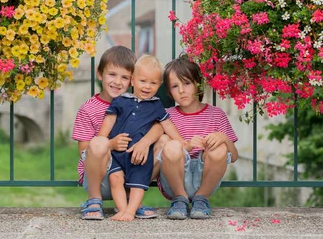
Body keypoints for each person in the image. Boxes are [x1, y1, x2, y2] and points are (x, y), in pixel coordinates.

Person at [72, 46, 165, 220]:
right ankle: (94, 199)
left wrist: (145, 142)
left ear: (132, 80)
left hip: (131, 170)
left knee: (164, 141)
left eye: (124, 77)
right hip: (101, 177)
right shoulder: (88, 109)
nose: (118, 82)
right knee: (99, 142)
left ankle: (130, 201)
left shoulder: (139, 103)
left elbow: (160, 125)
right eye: (112, 75)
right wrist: (111, 144)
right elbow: (84, 149)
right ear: (100, 74)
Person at [98, 55, 185, 221]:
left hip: (139, 156)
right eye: (143, 81)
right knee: (115, 178)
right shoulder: (120, 100)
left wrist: (181, 141)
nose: (147, 86)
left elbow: (167, 125)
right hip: (117, 153)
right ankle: (122, 210)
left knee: (138, 184)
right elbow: (109, 120)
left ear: (159, 85)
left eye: (153, 83)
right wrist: (102, 141)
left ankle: (130, 211)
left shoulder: (156, 105)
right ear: (132, 80)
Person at [158, 54, 238, 220]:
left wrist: (223, 137)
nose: (181, 90)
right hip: (174, 180)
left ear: (197, 84)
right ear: (169, 92)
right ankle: (180, 199)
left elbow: (234, 156)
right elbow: (160, 150)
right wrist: (186, 147)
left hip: (205, 180)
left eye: (186, 83)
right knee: (171, 145)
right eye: (175, 86)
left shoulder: (216, 114)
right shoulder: (166, 116)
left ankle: (201, 199)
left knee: (219, 148)